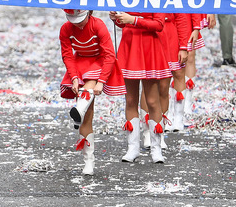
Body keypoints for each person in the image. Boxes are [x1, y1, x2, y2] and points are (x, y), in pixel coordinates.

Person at [59, 9, 124, 175]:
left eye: (80, 19)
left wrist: (101, 81)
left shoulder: (98, 25)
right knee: (87, 116)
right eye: (73, 19)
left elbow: (109, 54)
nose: (77, 23)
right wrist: (73, 78)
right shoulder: (66, 29)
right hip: (80, 63)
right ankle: (88, 160)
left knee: (86, 96)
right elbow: (67, 55)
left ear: (89, 13)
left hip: (99, 62)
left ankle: (79, 109)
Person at [109, 10, 168, 163]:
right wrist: (117, 19)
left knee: (152, 101)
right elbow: (123, 22)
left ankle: (156, 148)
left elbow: (159, 25)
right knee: (130, 100)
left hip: (149, 47)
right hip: (129, 46)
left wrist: (133, 20)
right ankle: (133, 148)